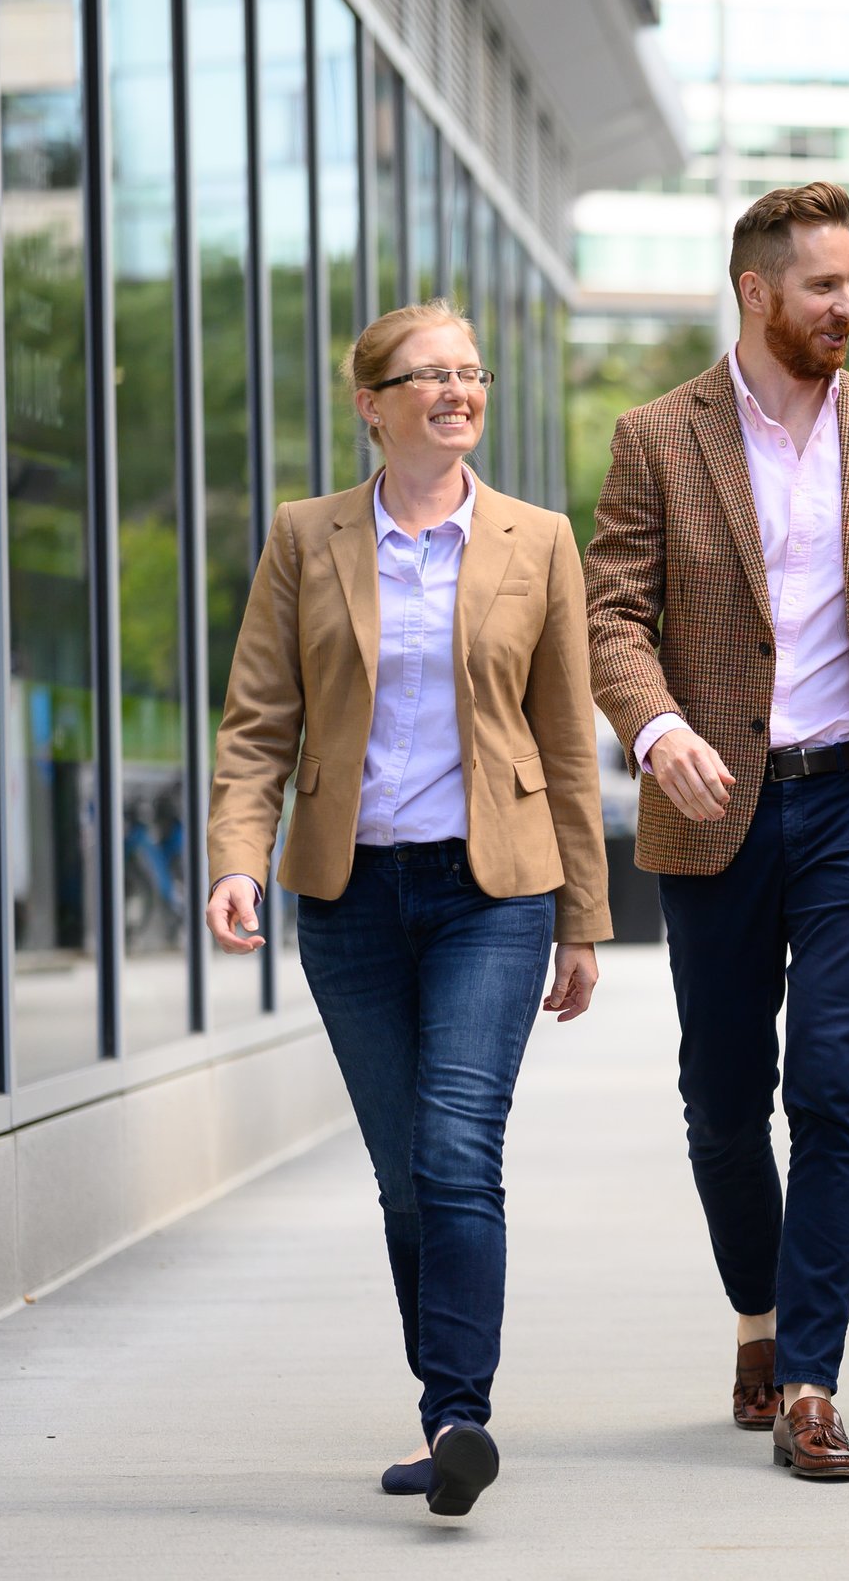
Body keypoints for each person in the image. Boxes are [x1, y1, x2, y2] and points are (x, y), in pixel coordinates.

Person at [583, 182, 849, 1483]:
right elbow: (611, 616)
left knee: (830, 1085)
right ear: (757, 292)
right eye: (824, 285)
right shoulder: (658, 436)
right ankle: (757, 1315)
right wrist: (657, 729)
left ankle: (812, 1379)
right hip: (714, 805)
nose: (846, 305)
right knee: (721, 1099)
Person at [204, 300, 611, 1517]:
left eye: (469, 372)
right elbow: (258, 720)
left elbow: (567, 740)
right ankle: (444, 1414)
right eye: (428, 374)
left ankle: (457, 1417)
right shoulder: (306, 536)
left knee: (455, 1149)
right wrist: (237, 855)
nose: (456, 391)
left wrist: (582, 917)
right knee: (402, 1177)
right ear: (370, 404)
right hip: (352, 894)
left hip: (493, 891)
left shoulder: (539, 539)